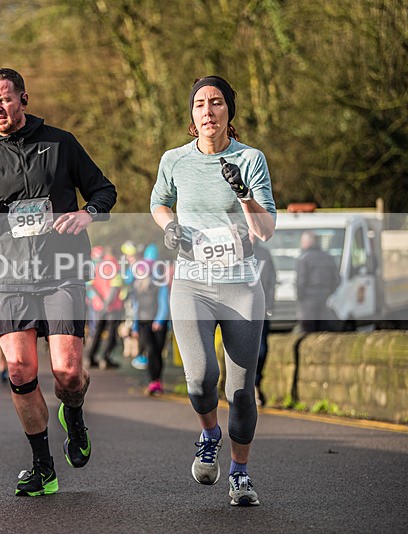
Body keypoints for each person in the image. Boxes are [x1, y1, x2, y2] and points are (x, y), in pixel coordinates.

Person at [0, 68, 117, 496]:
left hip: (61, 273)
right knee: (19, 369)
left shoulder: (60, 142)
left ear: (23, 99)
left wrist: (86, 213)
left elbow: (104, 191)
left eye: (4, 99)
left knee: (69, 373)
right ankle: (42, 467)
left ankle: (73, 416)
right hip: (9, 277)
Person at [150, 75, 276, 506]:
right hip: (191, 283)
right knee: (201, 378)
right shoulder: (174, 160)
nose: (208, 110)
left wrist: (243, 192)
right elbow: (159, 202)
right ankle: (208, 434)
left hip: (240, 285)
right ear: (192, 115)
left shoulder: (251, 159)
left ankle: (240, 474)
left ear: (229, 112)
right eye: (200, 104)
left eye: (217, 103)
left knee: (241, 390)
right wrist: (171, 229)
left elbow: (267, 229)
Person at [133, 243, 171, 396]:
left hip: (157, 324)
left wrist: (159, 320)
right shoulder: (138, 284)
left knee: (157, 352)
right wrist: (135, 327)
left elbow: (164, 303)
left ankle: (157, 381)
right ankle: (152, 382)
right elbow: (136, 306)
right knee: (151, 351)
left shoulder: (159, 283)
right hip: (143, 323)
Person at [85, 249, 124, 369]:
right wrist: (107, 304)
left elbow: (91, 285)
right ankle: (105, 358)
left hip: (98, 305)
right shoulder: (114, 266)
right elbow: (114, 287)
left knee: (97, 332)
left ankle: (90, 357)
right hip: (113, 307)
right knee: (112, 333)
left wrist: (101, 301)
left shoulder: (97, 267)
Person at [296, 230, 340, 333]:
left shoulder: (304, 258)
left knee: (307, 329)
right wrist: (329, 292)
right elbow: (337, 279)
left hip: (308, 298)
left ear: (307, 242)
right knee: (323, 328)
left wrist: (300, 296)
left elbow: (301, 281)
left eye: (302, 241)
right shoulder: (328, 257)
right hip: (325, 296)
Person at [252, 233, 276, 406]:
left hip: (261, 310)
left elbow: (271, 280)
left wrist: (270, 303)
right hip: (239, 312)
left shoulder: (264, 254)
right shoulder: (235, 253)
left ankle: (255, 384)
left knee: (261, 350)